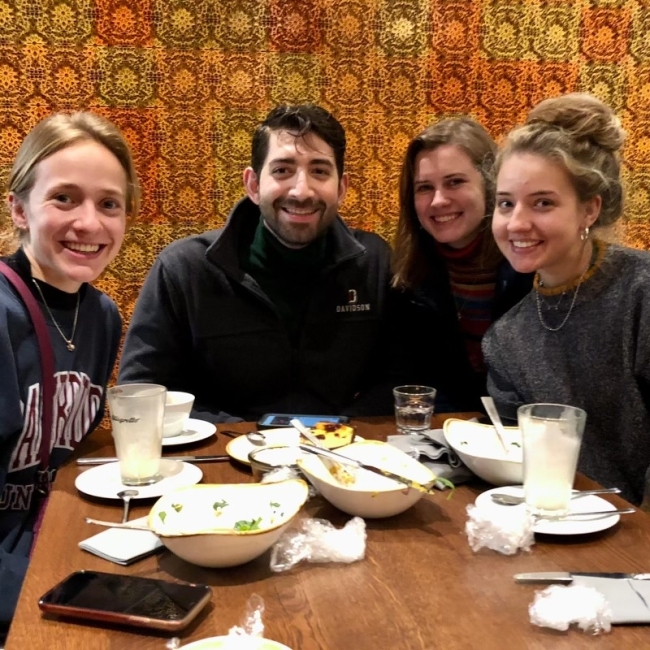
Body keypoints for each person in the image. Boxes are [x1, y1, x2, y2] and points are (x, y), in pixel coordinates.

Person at [119, 104, 395, 422]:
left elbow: (400, 379)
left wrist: (335, 432)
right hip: (224, 459)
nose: (301, 190)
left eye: (319, 171)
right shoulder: (184, 270)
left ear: (342, 187)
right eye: (282, 170)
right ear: (253, 185)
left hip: (340, 457)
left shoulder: (374, 263)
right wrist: (254, 438)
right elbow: (144, 393)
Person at [0, 112, 139, 631]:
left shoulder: (101, 317)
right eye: (64, 198)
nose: (89, 223)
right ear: (19, 208)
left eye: (109, 204)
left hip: (53, 543)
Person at [483, 93, 650, 507]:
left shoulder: (640, 292)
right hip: (560, 533)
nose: (517, 223)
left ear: (589, 209)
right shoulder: (506, 340)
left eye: (542, 203)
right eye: (505, 204)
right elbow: (512, 461)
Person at [392, 117, 532, 411]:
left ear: (490, 185)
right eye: (424, 187)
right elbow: (419, 384)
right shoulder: (410, 276)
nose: (438, 200)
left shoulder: (531, 266)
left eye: (455, 182)